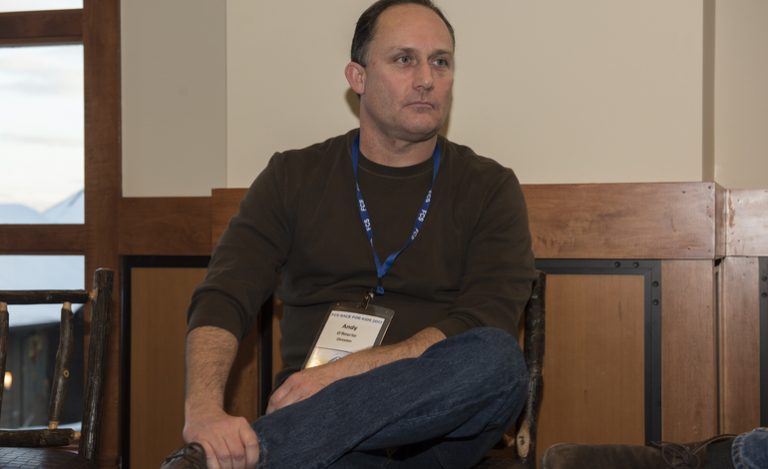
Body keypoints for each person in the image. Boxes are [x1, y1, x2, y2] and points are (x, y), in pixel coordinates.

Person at [163, 1, 536, 467]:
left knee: (497, 359)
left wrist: (342, 375)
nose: (426, 78)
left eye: (440, 62)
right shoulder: (293, 176)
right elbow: (224, 294)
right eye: (404, 59)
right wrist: (203, 412)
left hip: (434, 436)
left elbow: (486, 317)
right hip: (322, 434)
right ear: (357, 77)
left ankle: (262, 453)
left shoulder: (489, 186)